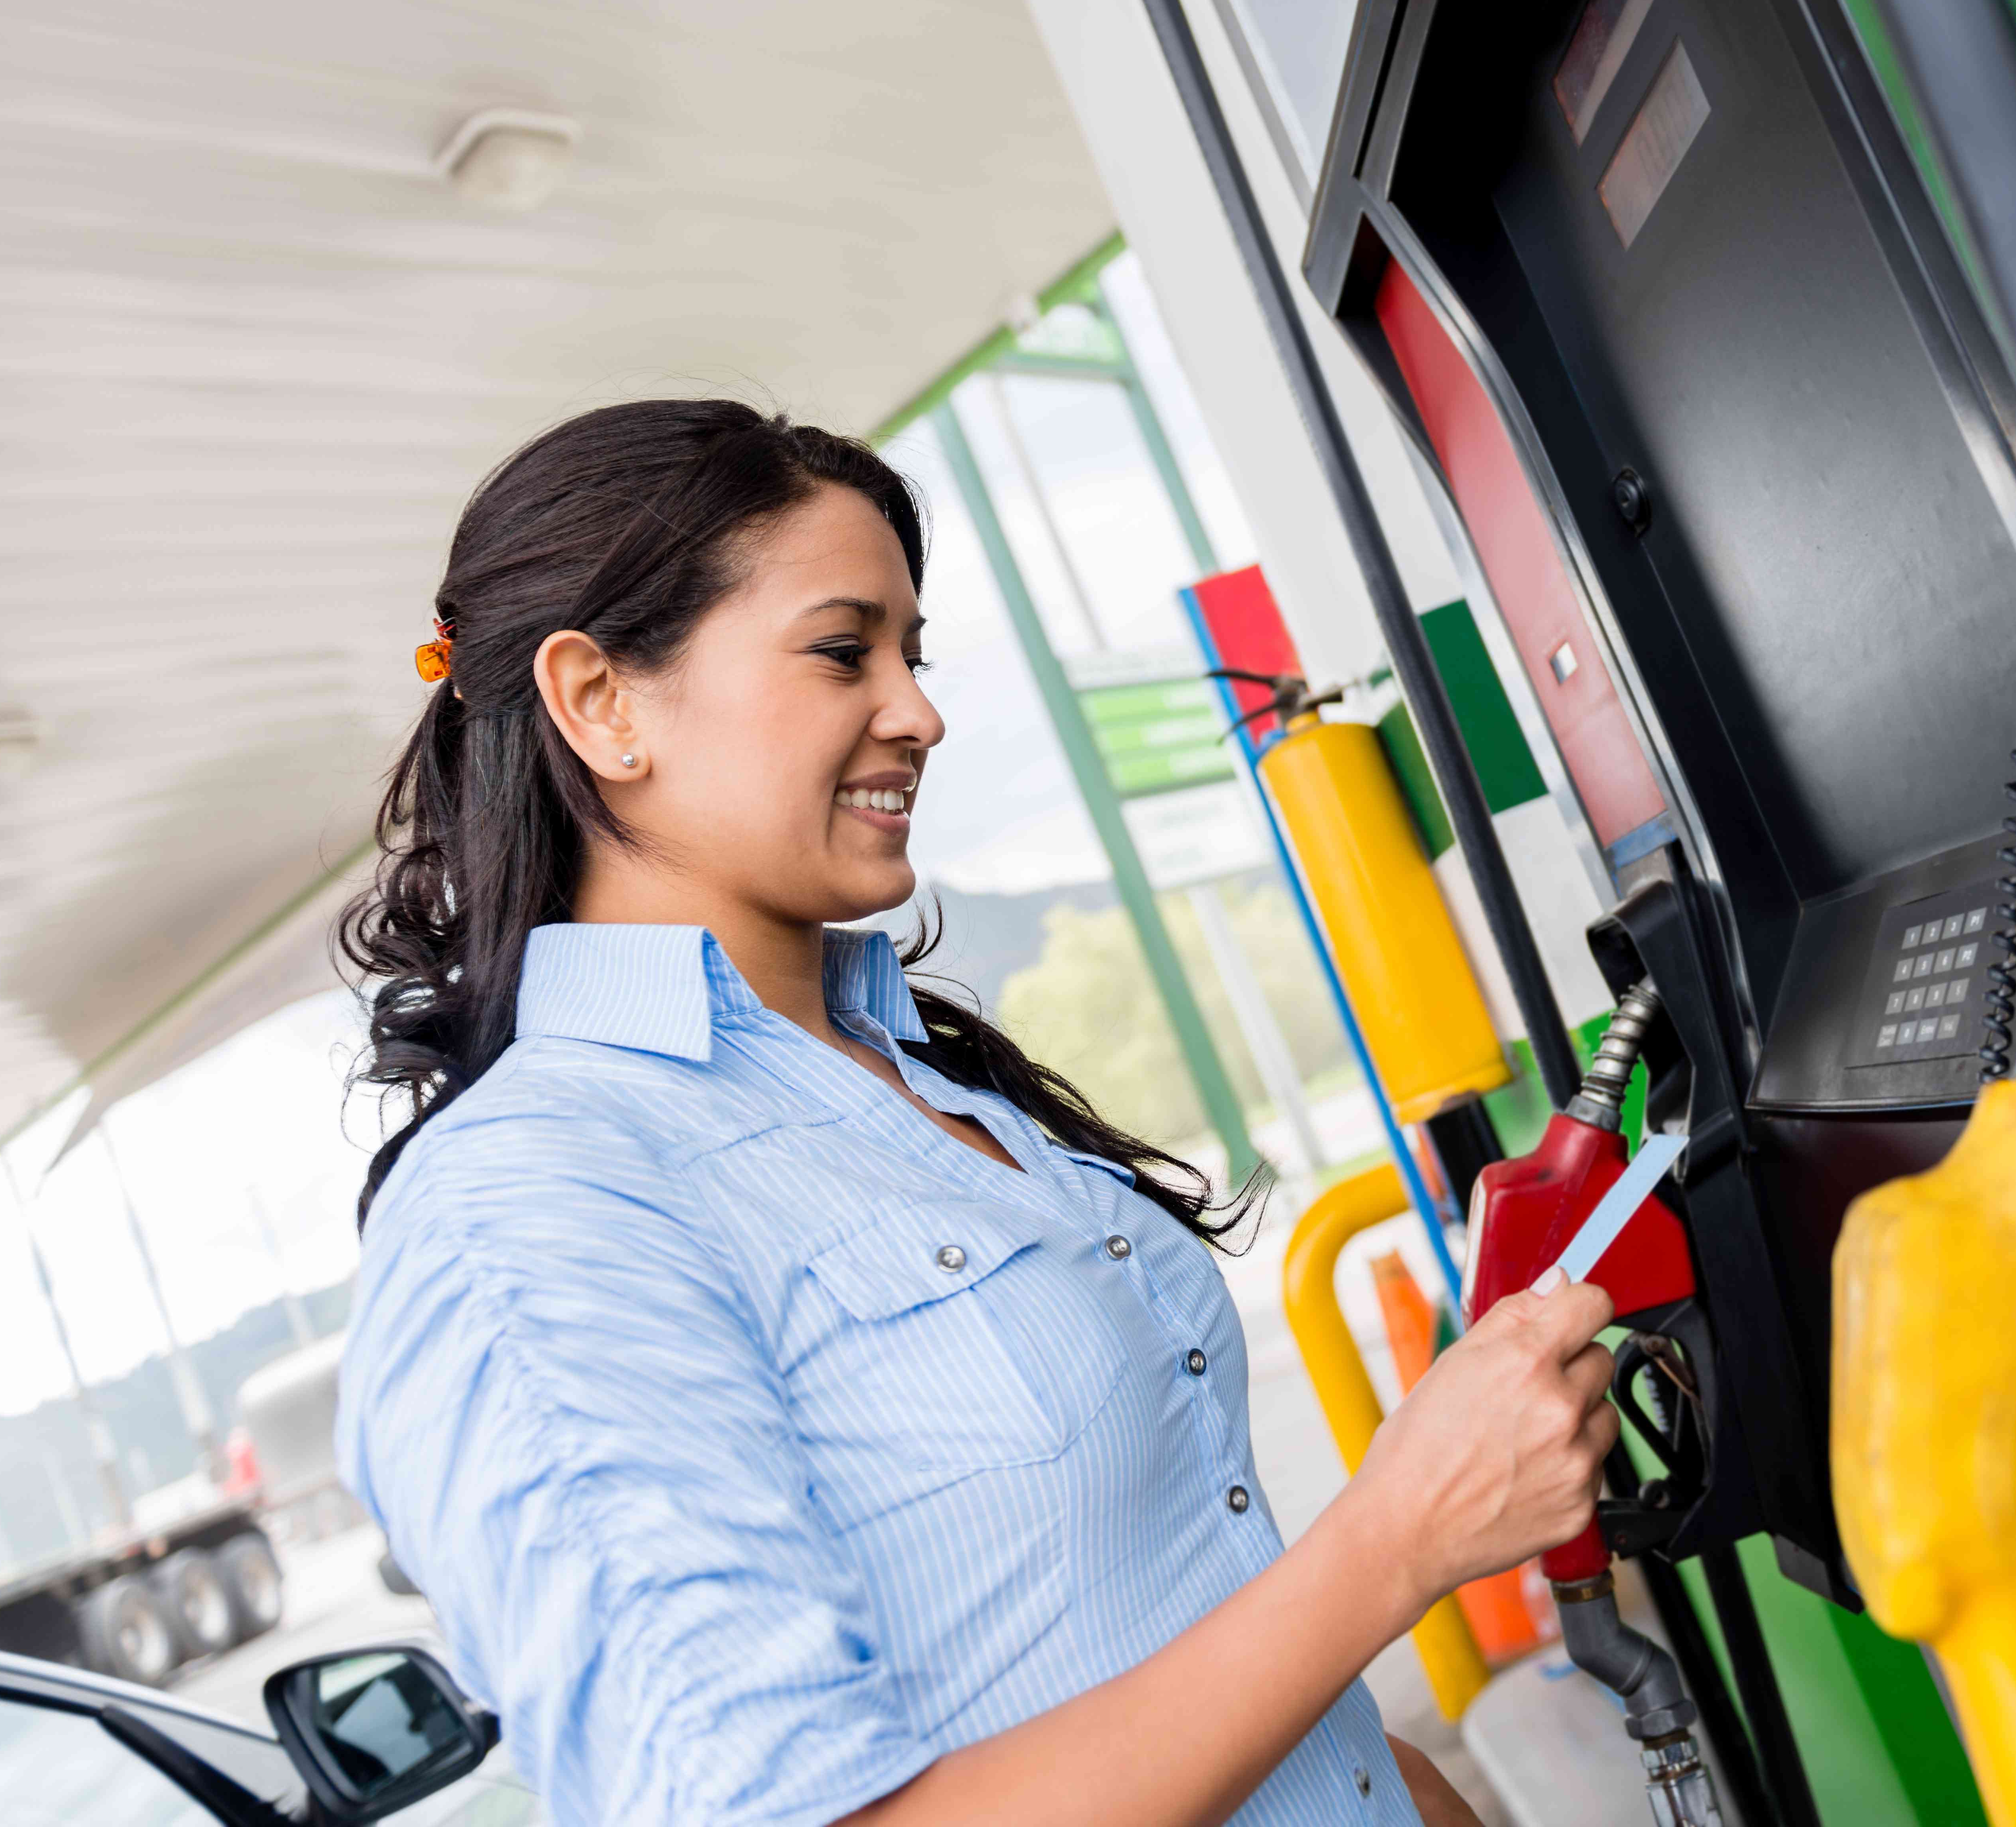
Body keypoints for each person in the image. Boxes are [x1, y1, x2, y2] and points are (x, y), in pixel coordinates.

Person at [333, 400, 1619, 1827]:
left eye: (914, 652)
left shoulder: (920, 1085)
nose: (922, 713)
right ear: (602, 704)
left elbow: (1147, 1629)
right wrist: (1396, 1540)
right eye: (843, 652)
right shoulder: (530, 1212)